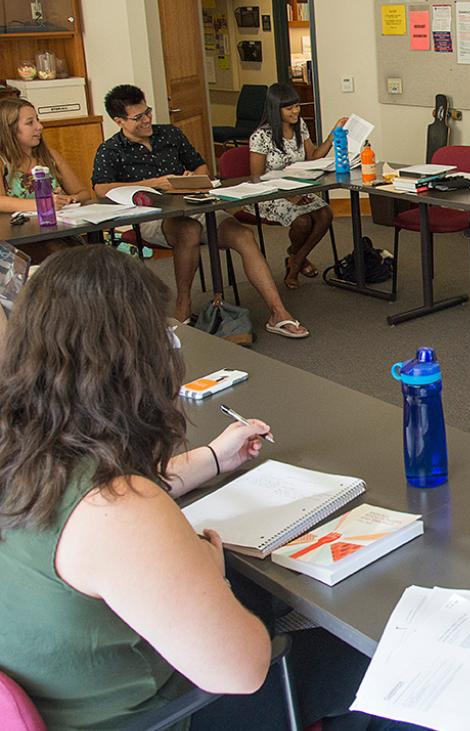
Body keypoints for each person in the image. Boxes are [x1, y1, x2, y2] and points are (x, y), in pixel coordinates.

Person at [0, 246, 274, 728]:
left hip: (59, 695)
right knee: (354, 665)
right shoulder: (119, 507)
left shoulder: (21, 445)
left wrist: (212, 457)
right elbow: (243, 671)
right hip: (160, 714)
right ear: (138, 360)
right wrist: (215, 577)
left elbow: (87, 504)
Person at [91, 84, 309, 339]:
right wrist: (156, 183)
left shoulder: (169, 134)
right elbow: (101, 188)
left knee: (244, 236)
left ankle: (278, 313)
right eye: (138, 117)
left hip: (194, 206)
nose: (147, 119)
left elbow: (200, 166)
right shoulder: (111, 149)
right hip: (152, 217)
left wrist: (193, 177)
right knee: (188, 230)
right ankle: (183, 306)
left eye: (147, 111)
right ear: (119, 121)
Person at [248, 82, 344, 290]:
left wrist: (332, 134)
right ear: (276, 109)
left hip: (298, 188)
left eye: (297, 106)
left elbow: (313, 158)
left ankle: (296, 258)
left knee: (325, 214)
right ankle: (297, 263)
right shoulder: (260, 136)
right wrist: (286, 195)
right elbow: (257, 178)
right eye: (289, 108)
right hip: (269, 193)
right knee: (302, 222)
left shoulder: (300, 126)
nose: (296, 111)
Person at [0, 97, 93, 261]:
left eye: (38, 120)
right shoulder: (2, 162)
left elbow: (83, 193)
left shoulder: (50, 156)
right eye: (30, 123)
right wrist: (43, 205)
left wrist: (71, 199)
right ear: (10, 129)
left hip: (58, 232)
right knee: (60, 256)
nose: (39, 127)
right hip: (20, 239)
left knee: (88, 255)